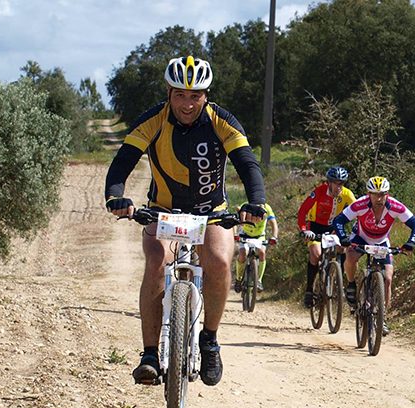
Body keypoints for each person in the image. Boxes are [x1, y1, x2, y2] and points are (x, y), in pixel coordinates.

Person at [104, 55, 267, 387]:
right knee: (156, 260)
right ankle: (150, 354)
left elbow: (248, 164)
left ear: (206, 95)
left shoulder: (221, 120)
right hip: (162, 209)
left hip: (212, 212)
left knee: (219, 261)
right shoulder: (153, 119)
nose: (187, 104)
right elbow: (123, 161)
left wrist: (256, 202)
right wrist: (115, 196)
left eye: (195, 96)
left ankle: (209, 340)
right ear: (169, 93)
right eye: (179, 95)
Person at [332, 176, 415, 336]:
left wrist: (411, 242)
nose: (379, 198)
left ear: (387, 194)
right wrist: (343, 238)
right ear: (369, 194)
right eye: (375, 194)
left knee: (388, 278)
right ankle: (351, 284)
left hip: (381, 241)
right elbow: (338, 221)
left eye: (382, 194)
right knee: (350, 257)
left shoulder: (395, 206)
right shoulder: (360, 204)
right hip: (360, 237)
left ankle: (382, 317)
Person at [296, 166, 356, 307]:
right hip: (315, 226)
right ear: (329, 182)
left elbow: (359, 211)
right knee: (316, 255)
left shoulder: (347, 194)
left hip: (333, 227)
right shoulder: (319, 191)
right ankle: (309, 290)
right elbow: (303, 211)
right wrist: (304, 229)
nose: (339, 187)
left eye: (341, 183)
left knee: (342, 247)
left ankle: (339, 278)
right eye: (336, 183)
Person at [233, 201, 278, 292]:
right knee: (242, 254)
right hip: (245, 234)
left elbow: (274, 223)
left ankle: (259, 281)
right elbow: (236, 222)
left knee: (262, 253)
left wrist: (274, 236)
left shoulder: (267, 208)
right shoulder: (245, 205)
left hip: (259, 236)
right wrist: (235, 234)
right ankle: (238, 279)